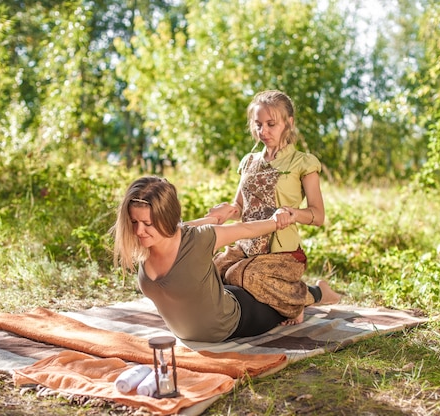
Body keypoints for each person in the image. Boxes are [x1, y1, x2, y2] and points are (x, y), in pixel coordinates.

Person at [112, 175, 306, 343]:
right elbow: (184, 226)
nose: (138, 231)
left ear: (166, 219)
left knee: (287, 301)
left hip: (238, 318)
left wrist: (276, 222)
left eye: (147, 223)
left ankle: (313, 295)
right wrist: (214, 218)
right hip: (215, 298)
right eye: (134, 221)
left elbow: (243, 230)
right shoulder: (149, 241)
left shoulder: (199, 240)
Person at [206, 90, 341, 325]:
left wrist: (293, 213)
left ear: (289, 123)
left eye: (271, 124)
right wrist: (225, 211)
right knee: (213, 270)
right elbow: (240, 205)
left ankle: (305, 298)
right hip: (247, 246)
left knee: (239, 274)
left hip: (282, 253)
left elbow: (318, 215)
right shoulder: (249, 161)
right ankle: (291, 300)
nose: (263, 131)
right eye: (258, 124)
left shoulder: (302, 162)